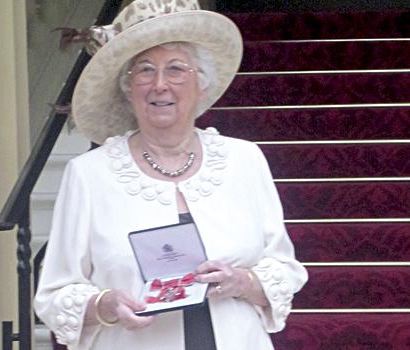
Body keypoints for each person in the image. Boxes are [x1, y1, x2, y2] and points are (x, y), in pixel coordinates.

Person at [34, 0, 308, 349]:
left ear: (202, 85)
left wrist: (241, 281)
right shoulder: (89, 174)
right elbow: (55, 294)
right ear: (128, 88)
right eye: (145, 70)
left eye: (176, 69)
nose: (160, 84)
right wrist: (106, 304)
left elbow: (284, 268)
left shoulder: (244, 160)